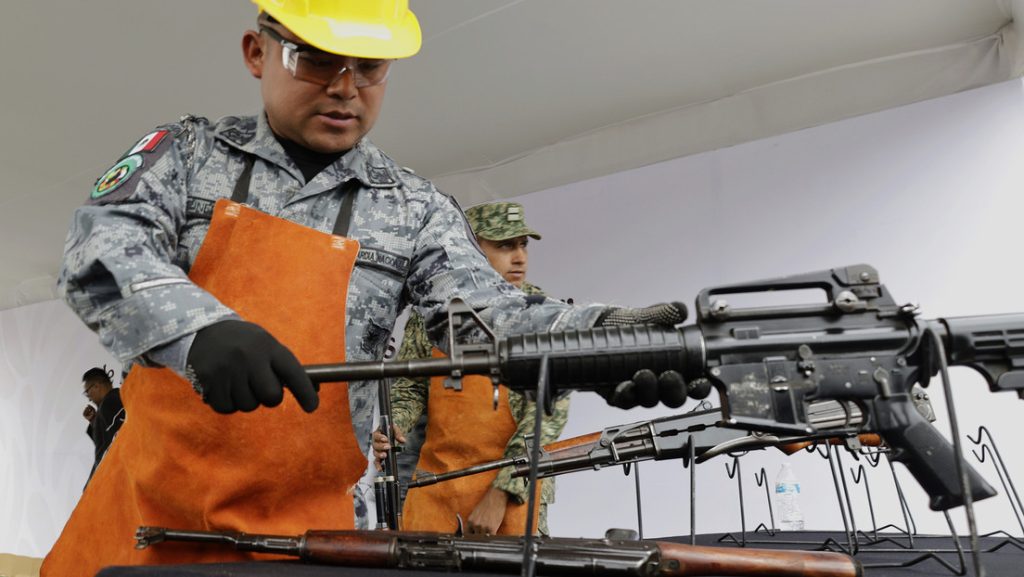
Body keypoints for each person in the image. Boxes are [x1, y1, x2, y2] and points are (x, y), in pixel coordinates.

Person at [43, 2, 686, 576]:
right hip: (145, 520)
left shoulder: (413, 208)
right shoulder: (184, 156)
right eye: (317, 59)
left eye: (370, 66)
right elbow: (98, 250)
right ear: (256, 52)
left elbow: (489, 318)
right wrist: (197, 330)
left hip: (308, 536)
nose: (345, 87)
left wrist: (603, 340)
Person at [379, 201, 568, 536]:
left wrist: (500, 494)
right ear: (470, 250)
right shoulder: (433, 315)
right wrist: (394, 425)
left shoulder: (543, 316)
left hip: (512, 494)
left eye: (522, 244)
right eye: (504, 245)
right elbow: (410, 387)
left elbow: (544, 420)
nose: (520, 257)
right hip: (436, 489)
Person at [81, 367, 125, 483]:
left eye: (87, 392)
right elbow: (107, 439)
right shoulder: (114, 400)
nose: (88, 398)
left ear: (96, 386)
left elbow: (115, 440)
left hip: (109, 479)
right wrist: (94, 421)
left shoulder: (110, 401)